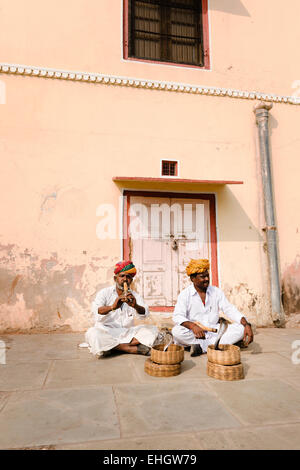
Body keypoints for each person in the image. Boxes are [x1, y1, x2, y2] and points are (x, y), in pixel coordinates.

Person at [172, 259, 254, 357]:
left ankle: (201, 347)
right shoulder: (185, 295)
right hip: (195, 333)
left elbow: (229, 309)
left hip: (214, 331)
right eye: (203, 277)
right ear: (193, 278)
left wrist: (246, 324)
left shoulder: (216, 292)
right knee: (176, 332)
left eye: (207, 276)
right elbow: (177, 316)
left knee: (241, 329)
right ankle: (214, 345)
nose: (206, 279)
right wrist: (193, 326)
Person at [85, 260, 158, 357]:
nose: (125, 279)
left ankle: (112, 347)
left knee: (154, 331)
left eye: (128, 277)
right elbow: (97, 311)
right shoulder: (104, 293)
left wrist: (135, 306)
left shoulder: (134, 295)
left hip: (127, 333)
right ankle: (130, 348)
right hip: (107, 331)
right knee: (92, 334)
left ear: (131, 281)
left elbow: (145, 314)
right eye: (122, 276)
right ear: (115, 279)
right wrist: (112, 307)